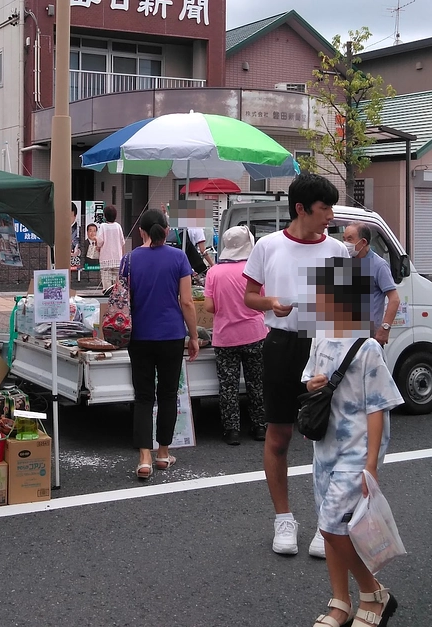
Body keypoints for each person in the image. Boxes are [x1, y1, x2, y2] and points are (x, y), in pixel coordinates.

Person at [242, 173, 349, 557]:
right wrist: (271, 303)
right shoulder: (268, 246)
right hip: (282, 343)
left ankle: (328, 523)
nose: (331, 216)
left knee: (331, 437)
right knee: (279, 434)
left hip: (326, 347)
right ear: (301, 208)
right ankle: (283, 519)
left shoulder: (337, 250)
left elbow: (347, 311)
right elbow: (249, 297)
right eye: (325, 209)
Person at [302, 257, 401, 627]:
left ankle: (374, 593)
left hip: (356, 451)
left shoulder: (369, 347)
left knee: (331, 525)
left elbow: (379, 408)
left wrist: (372, 464)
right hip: (324, 447)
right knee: (331, 528)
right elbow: (311, 380)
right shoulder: (321, 336)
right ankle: (340, 602)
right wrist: (312, 384)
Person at [121, 208, 199, 480]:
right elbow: (187, 302)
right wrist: (194, 336)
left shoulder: (129, 260)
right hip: (171, 335)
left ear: (141, 231)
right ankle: (163, 453)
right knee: (167, 395)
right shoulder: (179, 258)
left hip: (139, 335)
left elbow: (123, 301)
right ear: (167, 230)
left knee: (143, 397)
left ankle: (144, 458)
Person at [203, 226, 268, 445]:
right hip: (255, 333)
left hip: (225, 336)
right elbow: (264, 301)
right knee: (257, 382)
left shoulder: (214, 273)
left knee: (228, 385)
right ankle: (260, 426)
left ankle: (232, 431)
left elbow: (210, 307)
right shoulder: (255, 270)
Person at [342, 223, 400, 346]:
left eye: (349, 239)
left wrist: (385, 329)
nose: (345, 243)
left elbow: (394, 299)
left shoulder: (379, 265)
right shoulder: (345, 262)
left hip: (368, 338)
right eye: (344, 239)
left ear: (363, 242)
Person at [96, 204, 125, 290]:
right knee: (118, 284)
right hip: (117, 260)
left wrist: (97, 243)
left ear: (105, 216)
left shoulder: (103, 227)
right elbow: (122, 242)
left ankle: (106, 301)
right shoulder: (118, 226)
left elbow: (100, 242)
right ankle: (117, 301)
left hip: (105, 261)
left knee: (107, 285)